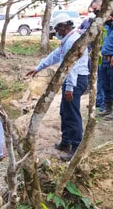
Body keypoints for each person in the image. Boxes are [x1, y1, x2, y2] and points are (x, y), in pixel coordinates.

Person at [27, 14, 90, 159]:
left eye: (57, 29)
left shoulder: (73, 41)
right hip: (71, 79)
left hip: (75, 79)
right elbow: (56, 55)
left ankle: (75, 146)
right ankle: (66, 141)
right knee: (65, 110)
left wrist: (69, 87)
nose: (56, 32)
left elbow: (71, 66)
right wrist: (38, 67)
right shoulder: (67, 41)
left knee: (72, 113)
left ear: (64, 26)